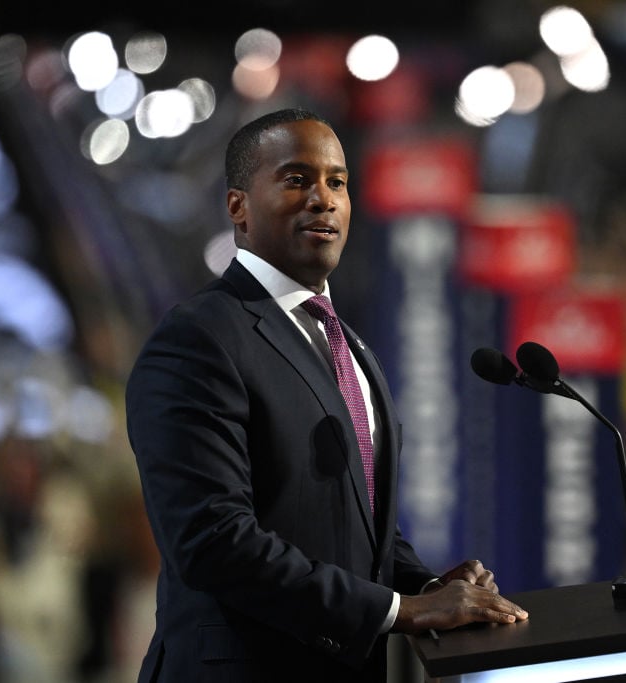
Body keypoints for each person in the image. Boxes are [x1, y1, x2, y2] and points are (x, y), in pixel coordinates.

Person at [124, 107, 528, 682]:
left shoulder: (345, 340)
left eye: (337, 181)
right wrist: (399, 610)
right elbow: (213, 540)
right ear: (237, 206)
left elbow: (354, 520)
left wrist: (425, 584)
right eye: (296, 179)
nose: (323, 198)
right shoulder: (198, 339)